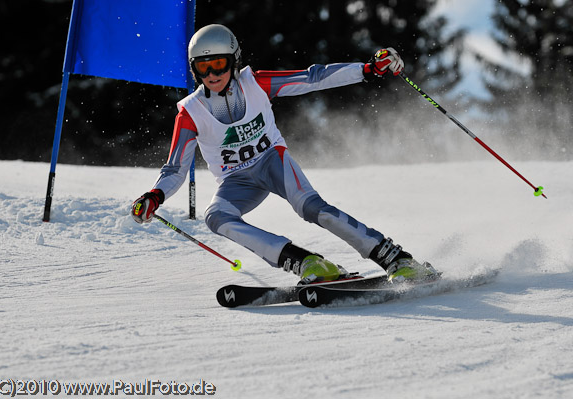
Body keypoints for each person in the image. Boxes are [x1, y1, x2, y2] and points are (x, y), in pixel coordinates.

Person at [131, 24, 438, 284]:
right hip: (236, 181)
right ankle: (306, 263)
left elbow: (313, 77)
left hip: (272, 162)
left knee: (312, 208)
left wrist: (367, 70)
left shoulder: (256, 84)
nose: (212, 74)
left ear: (233, 61)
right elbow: (175, 170)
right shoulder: (190, 112)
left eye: (219, 65)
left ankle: (395, 259)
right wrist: (155, 196)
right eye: (203, 67)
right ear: (194, 69)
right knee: (216, 217)